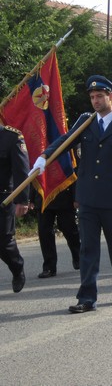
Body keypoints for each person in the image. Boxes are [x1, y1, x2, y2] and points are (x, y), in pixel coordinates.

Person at [30, 75, 112, 312]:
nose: (95, 101)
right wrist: (44, 156)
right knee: (88, 249)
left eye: (99, 96)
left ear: (110, 96)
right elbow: (65, 141)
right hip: (88, 197)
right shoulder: (85, 121)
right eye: (92, 97)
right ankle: (87, 298)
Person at [0, 124, 30, 293]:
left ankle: (17, 267)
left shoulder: (12, 137)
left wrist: (22, 200)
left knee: (3, 241)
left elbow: (21, 170)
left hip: (4, 197)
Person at [31, 185, 80, 278]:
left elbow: (73, 174)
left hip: (64, 194)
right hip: (43, 196)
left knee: (69, 229)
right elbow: (33, 176)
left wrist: (76, 197)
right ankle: (49, 267)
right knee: (44, 232)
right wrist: (31, 198)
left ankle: (78, 256)